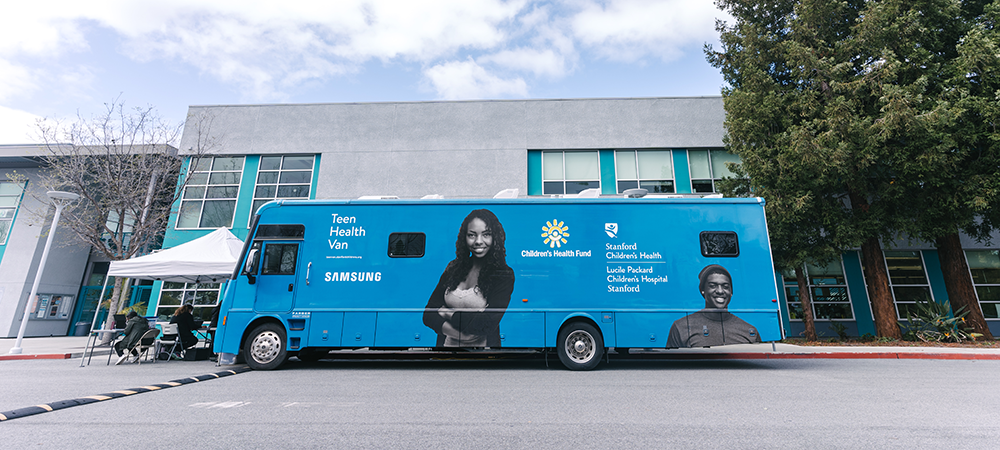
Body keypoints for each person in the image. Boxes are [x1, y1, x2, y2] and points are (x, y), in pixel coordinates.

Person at [423, 209, 515, 347]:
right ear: (464, 238)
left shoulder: (503, 274)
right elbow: (428, 314)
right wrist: (460, 334)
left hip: (484, 353)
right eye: (472, 235)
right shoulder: (453, 268)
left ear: (495, 237)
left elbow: (486, 323)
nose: (478, 241)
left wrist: (446, 313)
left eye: (486, 234)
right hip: (445, 351)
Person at [666, 264, 761, 348]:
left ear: (731, 292)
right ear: (703, 291)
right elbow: (672, 365)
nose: (720, 291)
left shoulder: (749, 330)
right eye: (712, 286)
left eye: (725, 286)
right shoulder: (681, 326)